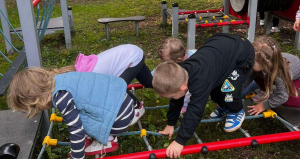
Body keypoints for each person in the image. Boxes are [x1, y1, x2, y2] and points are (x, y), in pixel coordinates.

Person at [152, 33, 254, 158]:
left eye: (171, 96)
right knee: (214, 89)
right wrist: (171, 123)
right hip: (220, 46)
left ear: (183, 88)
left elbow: (195, 111)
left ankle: (236, 110)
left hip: (242, 53)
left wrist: (180, 141)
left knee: (228, 90)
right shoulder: (180, 72)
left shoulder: (200, 81)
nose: (171, 99)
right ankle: (224, 107)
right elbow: (177, 100)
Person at [7, 67, 142, 158]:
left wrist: (77, 156)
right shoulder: (63, 78)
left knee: (74, 120)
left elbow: (76, 129)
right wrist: (136, 104)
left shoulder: (61, 97)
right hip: (127, 103)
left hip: (118, 120)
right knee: (91, 101)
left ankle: (108, 141)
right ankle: (99, 134)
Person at [241, 36, 300, 115]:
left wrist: (264, 105)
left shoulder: (280, 73)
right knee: (255, 73)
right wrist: (234, 94)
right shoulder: (258, 63)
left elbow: (283, 97)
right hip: (271, 73)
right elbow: (246, 81)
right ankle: (266, 91)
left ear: (264, 63)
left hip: (295, 77)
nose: (249, 63)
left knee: (288, 100)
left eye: (252, 61)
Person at [157, 37, 196, 113]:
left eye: (166, 61)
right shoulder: (181, 57)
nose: (165, 63)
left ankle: (185, 105)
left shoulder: (191, 61)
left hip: (194, 78)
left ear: (178, 60)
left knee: (187, 89)